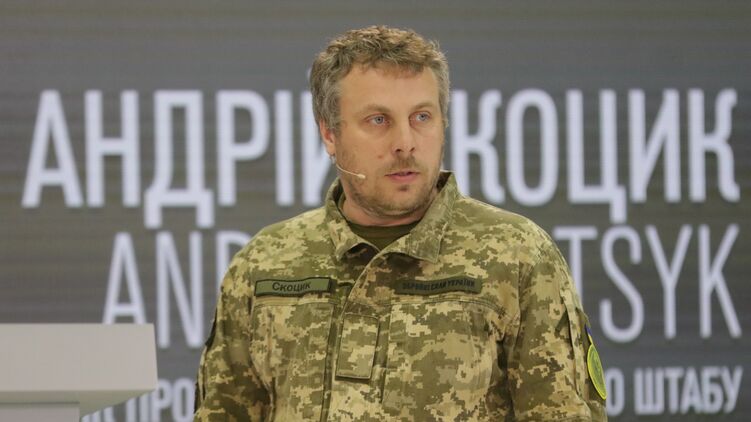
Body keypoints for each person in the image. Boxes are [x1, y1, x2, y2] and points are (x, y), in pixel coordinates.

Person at [194, 25, 607, 421]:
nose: (405, 143)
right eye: (378, 120)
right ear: (330, 134)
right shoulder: (264, 263)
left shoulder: (518, 255)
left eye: (422, 117)